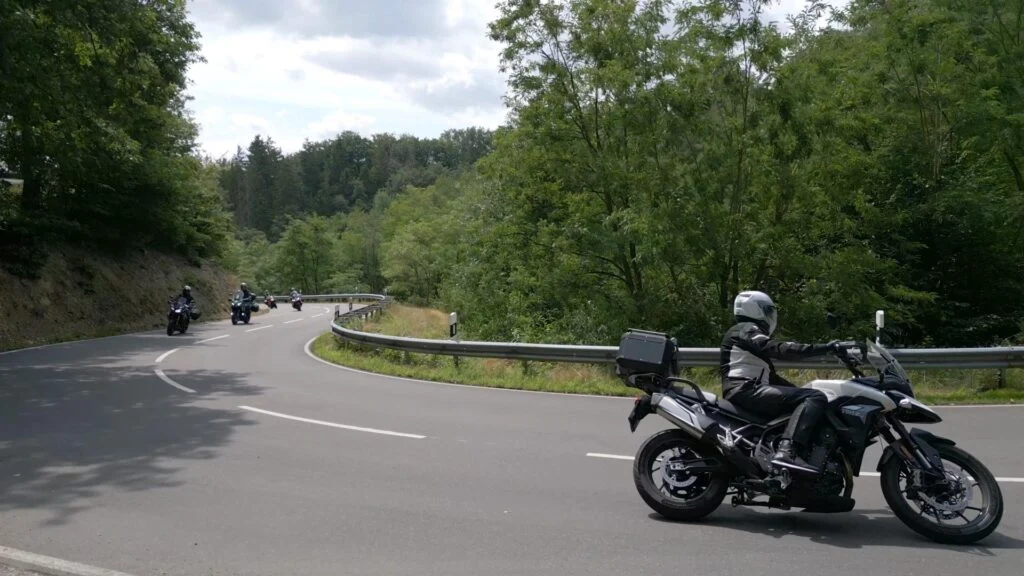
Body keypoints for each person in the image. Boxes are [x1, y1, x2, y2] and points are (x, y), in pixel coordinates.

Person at [719, 290, 837, 474]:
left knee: (808, 398)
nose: (770, 316)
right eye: (767, 310)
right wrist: (825, 348)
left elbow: (772, 378)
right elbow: (778, 348)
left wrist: (800, 392)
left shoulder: (747, 334)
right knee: (815, 397)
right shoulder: (746, 329)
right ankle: (786, 451)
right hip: (744, 389)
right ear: (754, 310)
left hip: (748, 388)